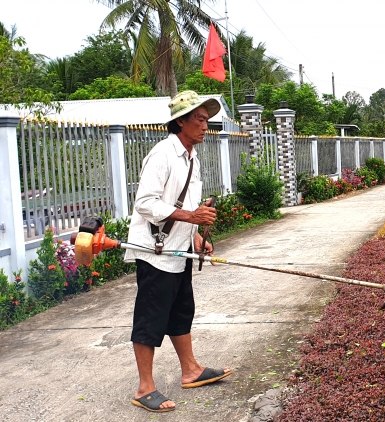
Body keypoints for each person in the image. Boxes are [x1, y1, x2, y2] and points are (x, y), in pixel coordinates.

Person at [125, 90, 231, 413]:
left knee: (181, 311)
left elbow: (185, 206)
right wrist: (192, 217)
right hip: (154, 251)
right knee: (150, 319)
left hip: (177, 251)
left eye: (207, 120)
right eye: (199, 120)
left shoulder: (192, 158)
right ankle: (145, 388)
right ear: (180, 121)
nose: (205, 126)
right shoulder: (163, 155)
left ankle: (191, 370)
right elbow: (145, 203)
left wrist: (196, 237)